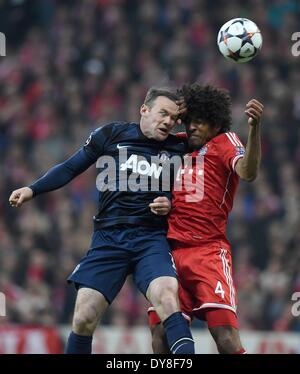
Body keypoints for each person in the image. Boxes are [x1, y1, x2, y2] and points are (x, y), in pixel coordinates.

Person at [9, 88, 195, 354]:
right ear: (144, 109)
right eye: (163, 113)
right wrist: (32, 189)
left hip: (151, 239)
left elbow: (200, 194)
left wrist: (173, 204)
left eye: (174, 118)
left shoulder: (180, 147)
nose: (168, 121)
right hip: (109, 238)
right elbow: (71, 166)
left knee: (167, 297)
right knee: (83, 316)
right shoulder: (111, 135)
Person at [148, 84, 264, 354]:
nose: (191, 128)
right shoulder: (176, 145)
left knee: (224, 337)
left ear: (215, 123)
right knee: (160, 335)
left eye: (199, 122)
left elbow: (247, 171)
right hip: (167, 253)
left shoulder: (225, 142)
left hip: (208, 252)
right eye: (188, 122)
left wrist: (255, 128)